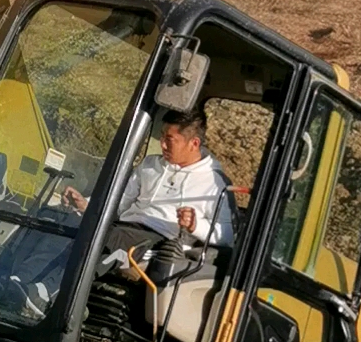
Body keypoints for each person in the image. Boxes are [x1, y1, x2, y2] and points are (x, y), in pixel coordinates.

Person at [64, 110, 235, 267]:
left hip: (158, 241)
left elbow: (227, 236)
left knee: (103, 239)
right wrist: (86, 205)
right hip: (123, 226)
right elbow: (121, 201)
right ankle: (40, 285)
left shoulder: (215, 184)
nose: (163, 145)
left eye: (169, 140)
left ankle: (47, 291)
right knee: (63, 222)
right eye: (161, 137)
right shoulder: (149, 165)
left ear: (194, 143)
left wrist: (195, 226)